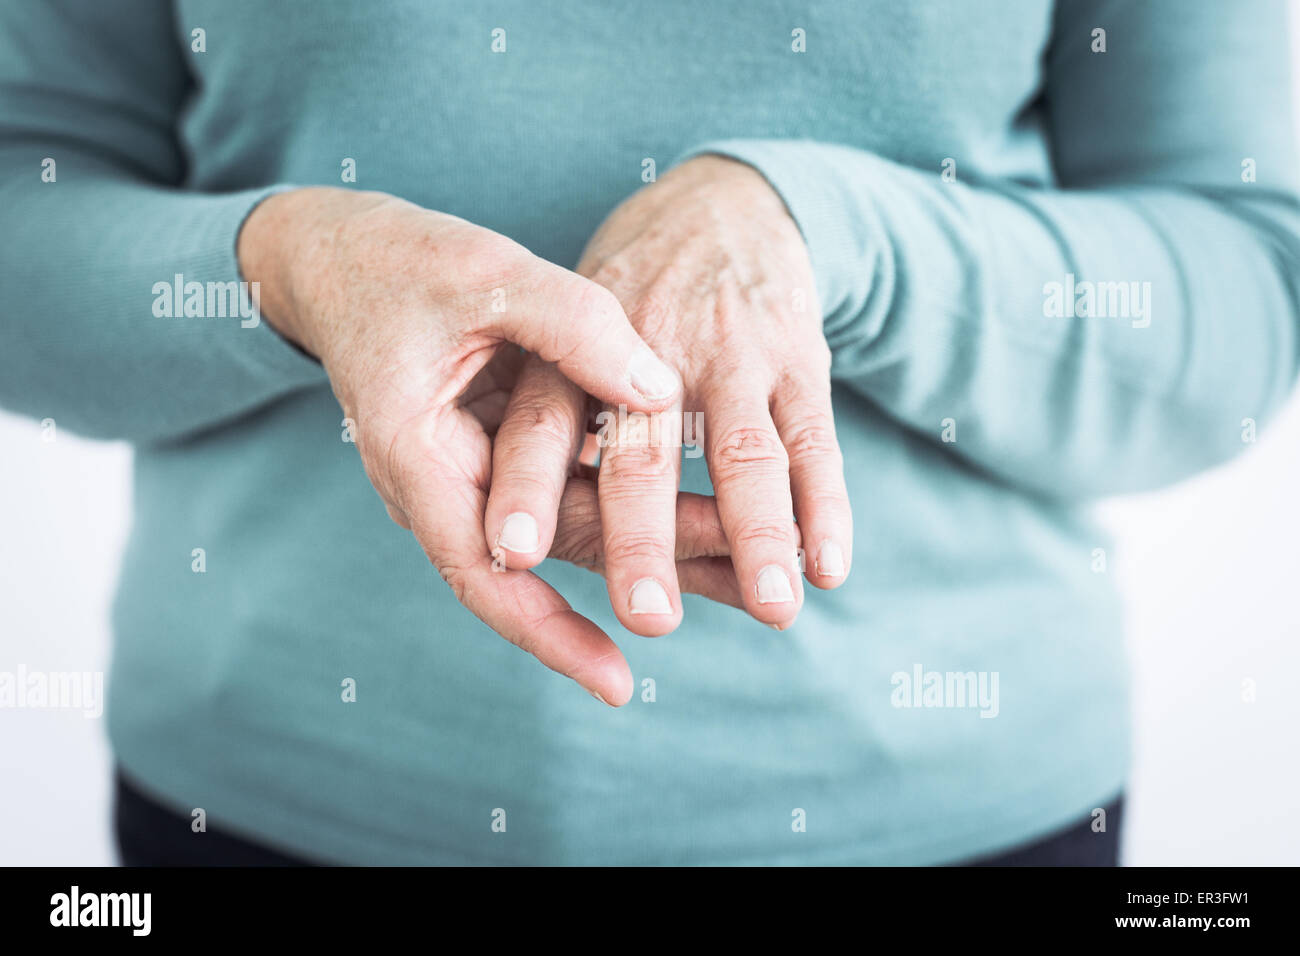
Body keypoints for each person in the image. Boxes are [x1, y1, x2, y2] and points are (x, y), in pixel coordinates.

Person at [2, 0, 1296, 866]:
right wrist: (281, 267)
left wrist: (835, 239)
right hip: (270, 810)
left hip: (957, 825)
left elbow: (1243, 297)